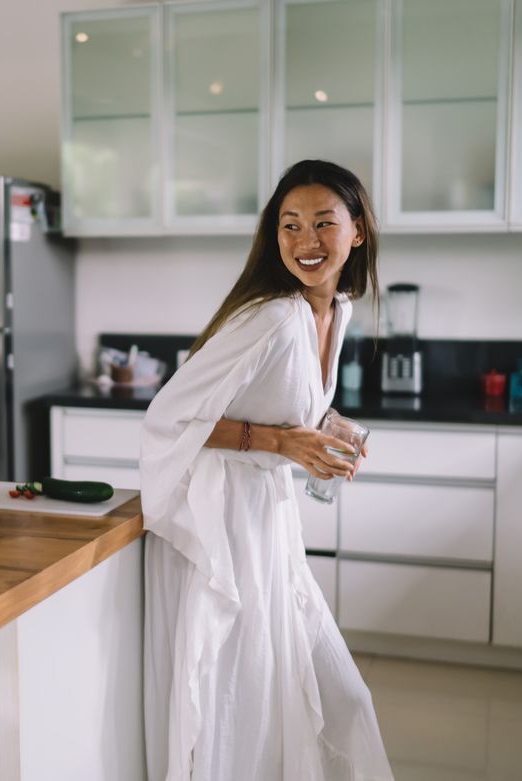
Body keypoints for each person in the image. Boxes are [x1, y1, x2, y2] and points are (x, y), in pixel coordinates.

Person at [140, 160, 393, 781]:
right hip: (224, 528)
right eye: (290, 225)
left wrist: (323, 425)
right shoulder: (275, 316)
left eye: (323, 224)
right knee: (240, 701)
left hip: (270, 526)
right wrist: (282, 441)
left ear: (356, 231)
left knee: (317, 696)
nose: (306, 242)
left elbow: (288, 394)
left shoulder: (337, 311)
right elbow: (170, 416)